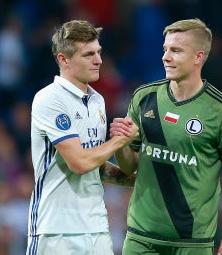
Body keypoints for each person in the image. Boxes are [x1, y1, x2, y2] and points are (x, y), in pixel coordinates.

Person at [110, 18, 222, 255]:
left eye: (176, 50)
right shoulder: (145, 97)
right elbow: (129, 165)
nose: (166, 57)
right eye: (165, 50)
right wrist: (120, 144)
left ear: (198, 57)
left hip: (192, 242)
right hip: (141, 237)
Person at [26, 19, 138, 255]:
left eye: (98, 52)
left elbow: (94, 165)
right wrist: (120, 139)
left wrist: (134, 179)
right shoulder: (50, 99)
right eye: (88, 55)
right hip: (56, 232)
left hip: (96, 228)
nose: (98, 60)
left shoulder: (97, 100)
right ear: (63, 59)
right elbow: (79, 163)